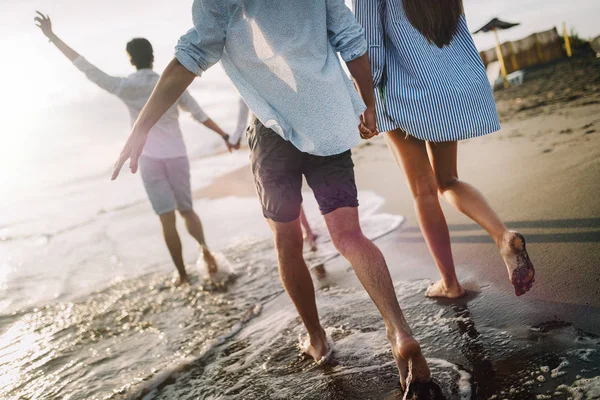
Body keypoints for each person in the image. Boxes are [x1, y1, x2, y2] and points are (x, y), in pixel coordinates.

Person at [111, 0, 430, 387]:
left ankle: (316, 338)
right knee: (349, 235)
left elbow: (188, 59)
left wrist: (140, 127)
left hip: (271, 132)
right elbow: (353, 42)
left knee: (286, 241)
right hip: (328, 121)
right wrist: (368, 106)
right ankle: (399, 331)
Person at [35, 12, 237, 286]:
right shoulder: (170, 82)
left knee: (166, 219)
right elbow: (198, 114)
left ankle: (182, 275)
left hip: (149, 160)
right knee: (187, 211)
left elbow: (87, 68)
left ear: (131, 59)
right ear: (152, 57)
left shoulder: (124, 86)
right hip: (177, 155)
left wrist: (53, 37)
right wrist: (225, 134)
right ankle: (206, 253)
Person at [353, 0, 535, 298]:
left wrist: (366, 101)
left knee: (423, 192)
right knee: (448, 180)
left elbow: (368, 43)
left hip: (403, 92)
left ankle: (450, 283)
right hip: (451, 86)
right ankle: (503, 236)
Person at [235, 99, 319, 252]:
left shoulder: (246, 78)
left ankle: (303, 233)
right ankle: (307, 231)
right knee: (291, 191)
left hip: (265, 138)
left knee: (285, 193)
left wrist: (234, 138)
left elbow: (243, 107)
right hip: (294, 128)